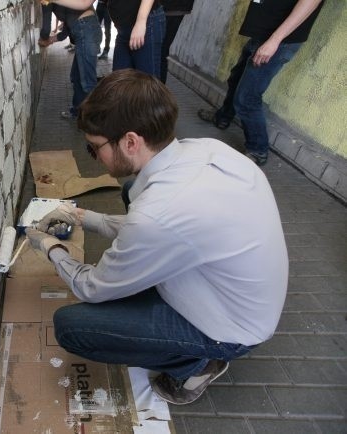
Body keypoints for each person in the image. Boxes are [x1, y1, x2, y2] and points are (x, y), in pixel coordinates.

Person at [25, 69, 289, 405]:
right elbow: (161, 226)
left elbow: (92, 287)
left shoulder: (161, 213)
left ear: (131, 141)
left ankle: (198, 363)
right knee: (134, 189)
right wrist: (83, 217)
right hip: (236, 294)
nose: (94, 157)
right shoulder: (204, 149)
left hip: (231, 330)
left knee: (72, 327)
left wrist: (51, 248)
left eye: (94, 149)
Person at [197, 0, 324, 166]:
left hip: (279, 40)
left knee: (247, 97)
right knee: (236, 78)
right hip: (263, 34)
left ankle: (258, 150)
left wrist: (274, 40)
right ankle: (223, 117)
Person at [39, 0, 102, 119]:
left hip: (86, 32)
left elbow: (46, 29)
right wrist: (51, 40)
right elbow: (69, 26)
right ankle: (77, 112)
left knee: (87, 82)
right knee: (76, 77)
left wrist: (43, 38)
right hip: (88, 29)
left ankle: (95, 121)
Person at [107, 0, 165, 76]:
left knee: (145, 81)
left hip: (145, 22)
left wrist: (141, 22)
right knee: (119, 80)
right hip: (123, 29)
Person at [160, 0, 195, 83]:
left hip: (170, 8)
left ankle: (157, 91)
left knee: (160, 52)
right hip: (172, 8)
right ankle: (157, 91)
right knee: (161, 52)